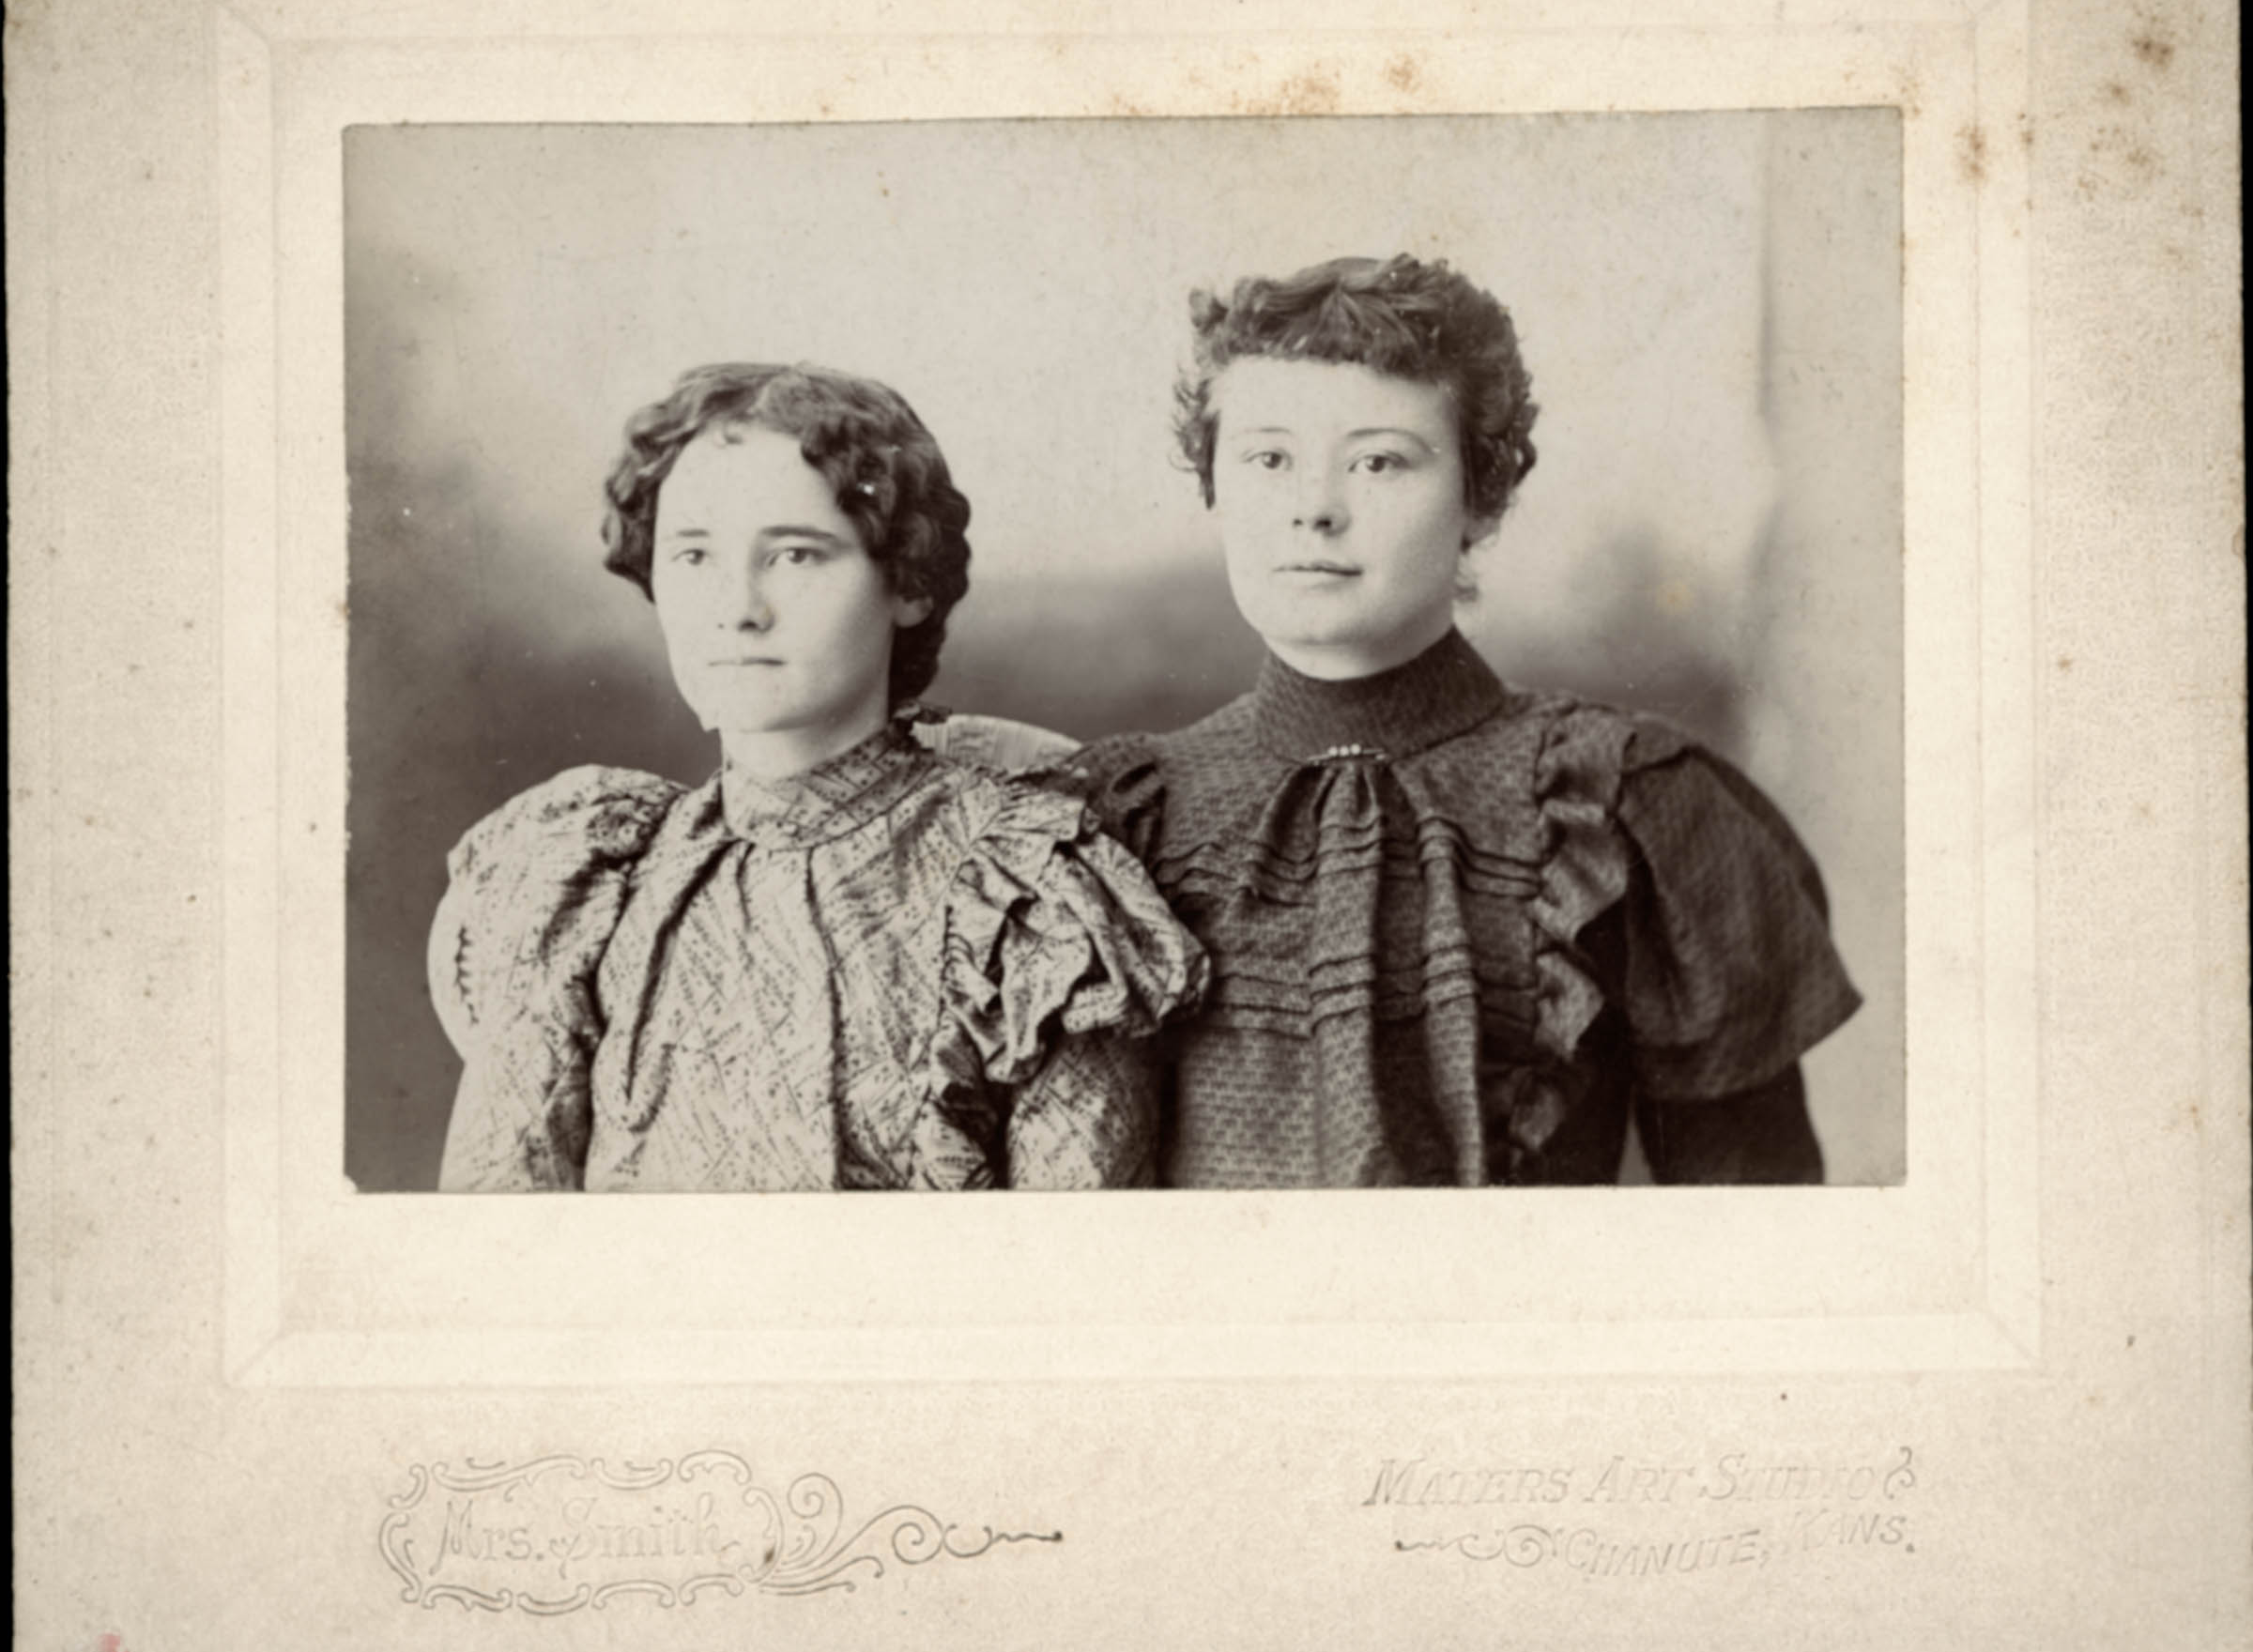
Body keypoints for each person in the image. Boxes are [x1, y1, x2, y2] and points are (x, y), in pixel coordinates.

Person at [1064, 254, 1861, 1188]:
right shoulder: (1116, 818)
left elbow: (1753, 1222)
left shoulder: (1623, 805)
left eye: (1378, 461)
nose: (1314, 509)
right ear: (1214, 487)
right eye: (1268, 458)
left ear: (1481, 498)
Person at [430, 361, 1205, 1191]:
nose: (737, 608)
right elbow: (501, 1233)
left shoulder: (1024, 893)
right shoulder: (586, 879)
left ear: (907, 582)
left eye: (794, 555)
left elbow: (1075, 1252)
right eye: (693, 555)